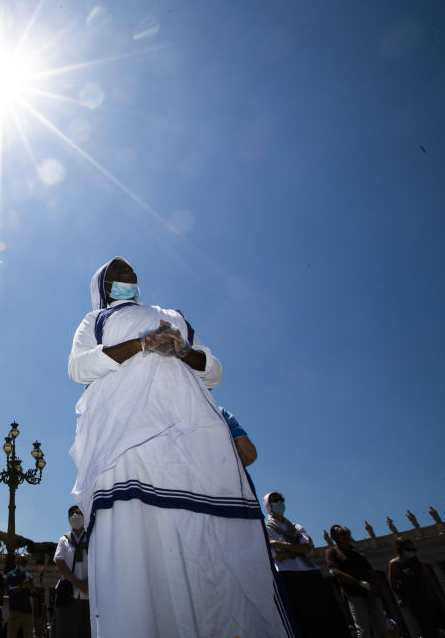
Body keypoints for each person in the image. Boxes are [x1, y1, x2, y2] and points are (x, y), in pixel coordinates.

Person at [67, 257, 296, 637]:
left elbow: (214, 372)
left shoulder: (172, 315)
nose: (127, 275)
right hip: (126, 442)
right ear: (104, 287)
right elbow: (78, 368)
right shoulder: (95, 321)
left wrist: (181, 351)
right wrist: (140, 344)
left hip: (191, 439)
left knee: (210, 544)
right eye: (117, 274)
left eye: (131, 272)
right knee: (139, 552)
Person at [262, 493, 349, 637]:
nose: (279, 503)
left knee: (326, 616)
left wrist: (280, 544)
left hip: (310, 572)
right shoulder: (266, 529)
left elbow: (306, 548)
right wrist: (297, 549)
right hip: (287, 575)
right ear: (268, 506)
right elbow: (276, 556)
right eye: (274, 501)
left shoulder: (296, 527)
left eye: (281, 500)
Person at [326, 525, 389, 638]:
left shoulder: (357, 553)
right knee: (363, 630)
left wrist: (372, 593)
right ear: (334, 537)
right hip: (353, 594)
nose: (346, 536)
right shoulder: (332, 552)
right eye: (341, 533)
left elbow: (371, 573)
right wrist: (358, 583)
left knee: (382, 629)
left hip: (370, 593)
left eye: (346, 533)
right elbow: (335, 572)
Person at [388, 536, 445, 638]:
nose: (412, 552)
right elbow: (393, 585)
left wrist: (433, 595)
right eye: (409, 549)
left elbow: (429, 579)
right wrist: (403, 597)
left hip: (431, 599)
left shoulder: (417, 563)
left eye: (413, 549)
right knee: (428, 631)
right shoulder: (395, 564)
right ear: (400, 550)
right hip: (416, 602)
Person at [52, 506, 90, 638]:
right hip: (69, 595)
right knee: (66, 631)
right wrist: (78, 583)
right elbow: (59, 562)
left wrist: (88, 583)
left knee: (87, 631)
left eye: (79, 513)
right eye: (73, 514)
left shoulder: (92, 538)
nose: (76, 516)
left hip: (89, 595)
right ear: (69, 519)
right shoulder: (64, 540)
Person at [4, 554, 34, 638]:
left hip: (27, 611)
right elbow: (9, 591)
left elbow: (32, 594)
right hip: (15, 611)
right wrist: (21, 586)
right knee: (11, 635)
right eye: (23, 562)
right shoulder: (10, 575)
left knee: (29, 635)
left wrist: (31, 588)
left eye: (26, 562)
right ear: (17, 562)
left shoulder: (28, 576)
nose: (25, 564)